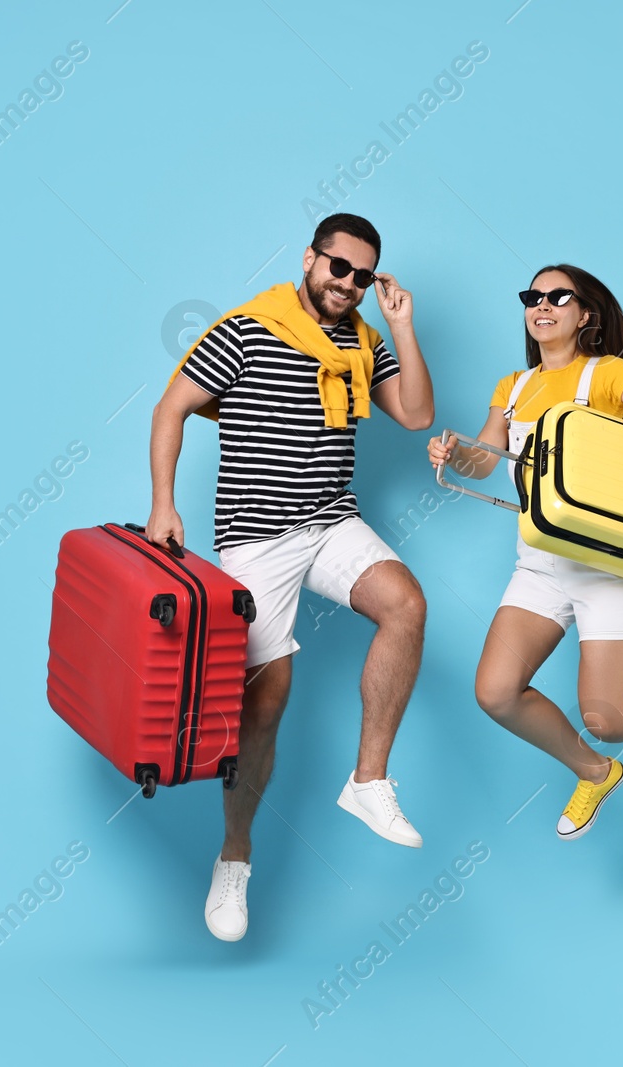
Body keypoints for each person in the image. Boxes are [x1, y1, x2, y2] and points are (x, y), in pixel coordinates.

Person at [149, 214, 435, 941]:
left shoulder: (364, 340)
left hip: (331, 519)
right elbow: (173, 406)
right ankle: (234, 857)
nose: (348, 284)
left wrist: (400, 325)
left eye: (364, 276)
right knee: (266, 701)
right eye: (338, 267)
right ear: (309, 259)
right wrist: (163, 505)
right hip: (256, 536)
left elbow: (415, 414)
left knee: (406, 603)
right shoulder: (247, 328)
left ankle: (368, 783)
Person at [428, 264, 623, 841]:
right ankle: (594, 772)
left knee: (607, 720)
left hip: (608, 568)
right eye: (532, 297)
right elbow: (488, 459)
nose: (542, 306)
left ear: (584, 313)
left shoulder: (610, 374)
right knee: (495, 692)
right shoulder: (512, 388)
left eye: (557, 297)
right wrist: (453, 454)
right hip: (540, 564)